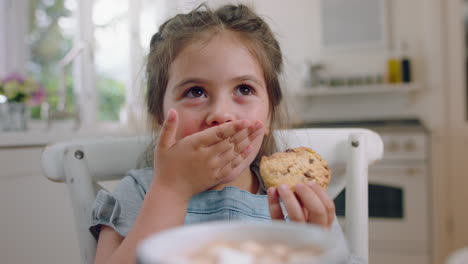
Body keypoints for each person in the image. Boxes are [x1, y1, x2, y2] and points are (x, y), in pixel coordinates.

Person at [89, 3, 344, 264]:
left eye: (244, 89)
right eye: (195, 92)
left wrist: (316, 248)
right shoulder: (141, 192)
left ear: (268, 115)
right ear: (159, 115)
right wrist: (171, 191)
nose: (221, 114)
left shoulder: (301, 202)